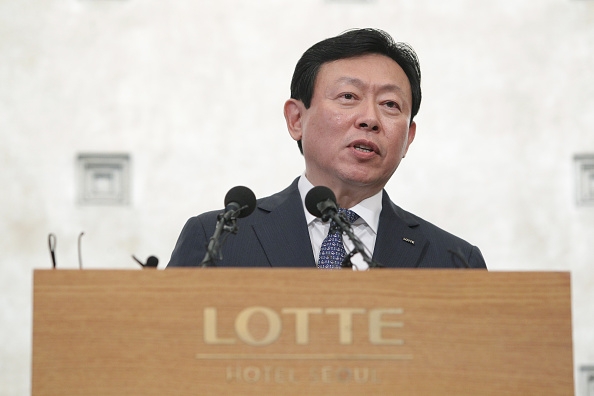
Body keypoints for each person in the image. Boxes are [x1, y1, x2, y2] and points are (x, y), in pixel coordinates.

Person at [167, 28, 487, 270]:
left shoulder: (454, 260)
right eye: (348, 97)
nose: (370, 119)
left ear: (409, 137)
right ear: (296, 118)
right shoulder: (216, 236)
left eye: (390, 104)